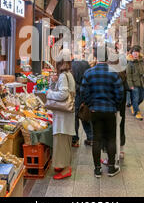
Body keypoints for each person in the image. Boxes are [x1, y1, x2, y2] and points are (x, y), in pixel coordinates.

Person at [81, 46, 123, 178]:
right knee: (111, 138)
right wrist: (114, 105)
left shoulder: (89, 73)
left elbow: (83, 93)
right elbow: (120, 93)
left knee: (97, 139)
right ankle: (111, 168)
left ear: (95, 57)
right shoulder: (114, 73)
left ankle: (97, 170)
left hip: (95, 110)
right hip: (110, 110)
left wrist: (90, 104)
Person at [46, 50, 75, 180]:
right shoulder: (67, 74)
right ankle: (61, 164)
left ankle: (66, 168)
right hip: (65, 115)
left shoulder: (64, 76)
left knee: (62, 141)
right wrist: (53, 82)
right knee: (63, 141)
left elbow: (63, 94)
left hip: (63, 116)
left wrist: (49, 94)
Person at [71, 55, 93, 147]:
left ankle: (75, 140)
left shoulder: (71, 65)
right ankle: (90, 138)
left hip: (76, 93)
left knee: (75, 117)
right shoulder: (86, 64)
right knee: (85, 115)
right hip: (85, 92)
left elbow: (72, 81)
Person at [126, 45, 144, 121]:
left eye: (137, 52)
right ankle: (137, 112)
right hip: (134, 84)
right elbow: (128, 75)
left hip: (142, 82)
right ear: (131, 53)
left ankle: (134, 106)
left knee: (141, 98)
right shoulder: (130, 63)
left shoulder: (142, 61)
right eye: (134, 52)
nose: (135, 54)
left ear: (139, 53)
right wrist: (130, 85)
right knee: (135, 98)